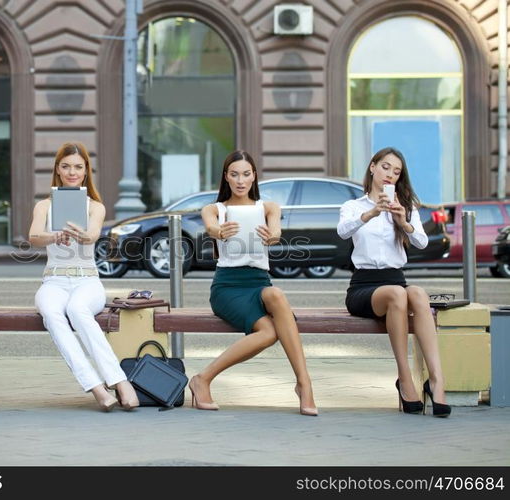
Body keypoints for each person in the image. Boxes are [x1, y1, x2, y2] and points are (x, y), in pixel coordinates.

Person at [190, 150, 317, 416]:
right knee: (269, 332)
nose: (240, 180)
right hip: (227, 287)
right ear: (226, 176)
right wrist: (218, 231)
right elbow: (211, 226)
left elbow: (276, 229)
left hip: (259, 282)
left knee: (276, 294)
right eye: (234, 174)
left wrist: (274, 235)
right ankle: (203, 379)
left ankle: (304, 383)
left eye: (246, 174)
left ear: (254, 176)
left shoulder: (268, 207)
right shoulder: (215, 209)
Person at [337, 146, 451, 417]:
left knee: (419, 294)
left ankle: (437, 380)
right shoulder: (353, 206)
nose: (390, 175)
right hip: (365, 287)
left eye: (396, 172)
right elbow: (342, 232)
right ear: (373, 167)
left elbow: (422, 242)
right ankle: (405, 378)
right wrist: (371, 213)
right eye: (385, 167)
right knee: (398, 295)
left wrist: (404, 221)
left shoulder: (405, 206)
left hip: (395, 280)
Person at [29, 142, 139, 412]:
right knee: (52, 313)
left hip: (87, 280)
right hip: (53, 281)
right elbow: (33, 238)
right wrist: (53, 236)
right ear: (57, 169)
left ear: (86, 171)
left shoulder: (95, 207)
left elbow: (93, 234)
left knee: (78, 310)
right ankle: (96, 387)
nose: (72, 172)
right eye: (66, 166)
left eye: (78, 167)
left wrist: (81, 234)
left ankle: (119, 381)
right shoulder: (44, 206)